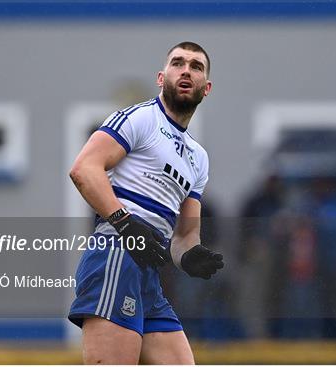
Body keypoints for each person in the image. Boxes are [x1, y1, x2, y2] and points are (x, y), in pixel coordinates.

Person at [67, 42, 224, 364]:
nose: (186, 70)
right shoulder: (140, 118)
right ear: (161, 77)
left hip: (148, 276)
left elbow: (183, 237)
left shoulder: (198, 157)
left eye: (196, 66)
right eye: (178, 63)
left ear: (206, 87)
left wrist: (191, 257)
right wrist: (125, 223)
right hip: (115, 256)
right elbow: (84, 169)